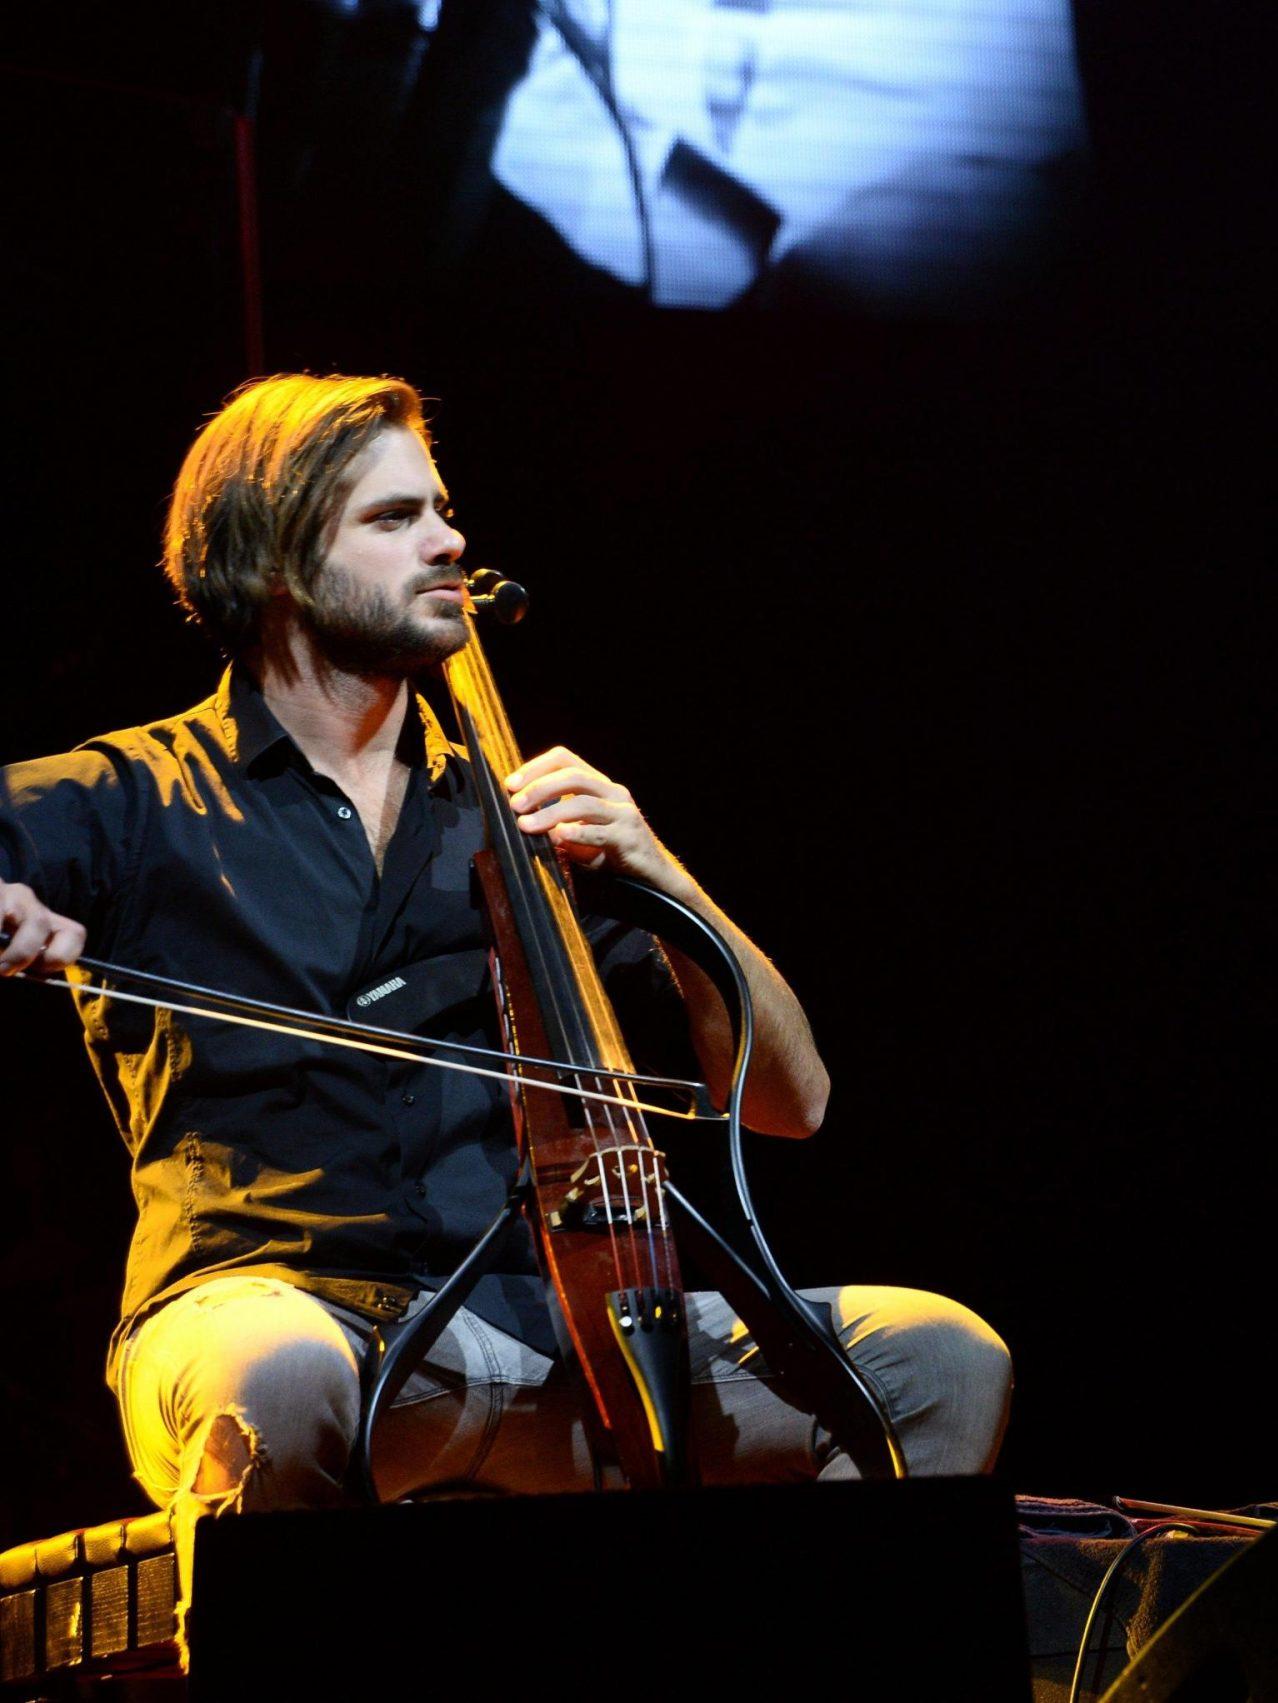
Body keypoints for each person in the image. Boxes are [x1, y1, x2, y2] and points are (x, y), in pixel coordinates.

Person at [0, 375, 1011, 1556]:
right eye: (393, 518)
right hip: (287, 1312)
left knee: (936, 1355)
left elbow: (790, 1104)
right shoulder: (131, 797)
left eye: (443, 508)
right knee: (269, 1374)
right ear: (273, 559)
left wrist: (661, 871)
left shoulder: (526, 823)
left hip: (563, 1339)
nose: (451, 540)